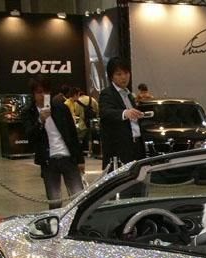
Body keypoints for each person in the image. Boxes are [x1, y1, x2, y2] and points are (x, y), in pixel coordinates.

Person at [23, 76, 84, 209]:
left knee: (78, 197)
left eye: (46, 92)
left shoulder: (61, 108)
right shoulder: (29, 112)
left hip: (68, 158)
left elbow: (72, 134)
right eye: (39, 92)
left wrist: (80, 160)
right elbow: (30, 137)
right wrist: (40, 121)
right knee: (55, 200)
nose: (43, 95)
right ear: (33, 94)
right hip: (48, 161)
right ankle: (56, 222)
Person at [99, 56, 146, 169]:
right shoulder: (107, 93)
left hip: (136, 146)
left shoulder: (129, 95)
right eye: (119, 74)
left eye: (126, 73)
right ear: (111, 76)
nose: (124, 77)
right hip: (119, 150)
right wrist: (125, 113)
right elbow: (106, 112)